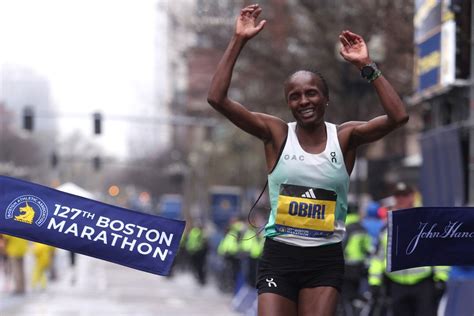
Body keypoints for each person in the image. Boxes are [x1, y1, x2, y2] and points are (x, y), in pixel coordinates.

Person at [207, 4, 408, 315]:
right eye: (295, 96)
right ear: (288, 103)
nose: (304, 101)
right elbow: (216, 99)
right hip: (280, 256)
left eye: (311, 93)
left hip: (324, 260)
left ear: (325, 98)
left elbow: (398, 116)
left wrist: (367, 65)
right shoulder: (275, 134)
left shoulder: (344, 137)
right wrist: (239, 40)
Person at [368, 182, 449, 316]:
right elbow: (379, 256)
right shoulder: (387, 226)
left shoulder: (426, 222)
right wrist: (374, 282)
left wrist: (441, 277)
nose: (401, 199)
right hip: (396, 285)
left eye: (404, 195)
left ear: (412, 197)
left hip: (423, 284)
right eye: (398, 196)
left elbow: (438, 251)